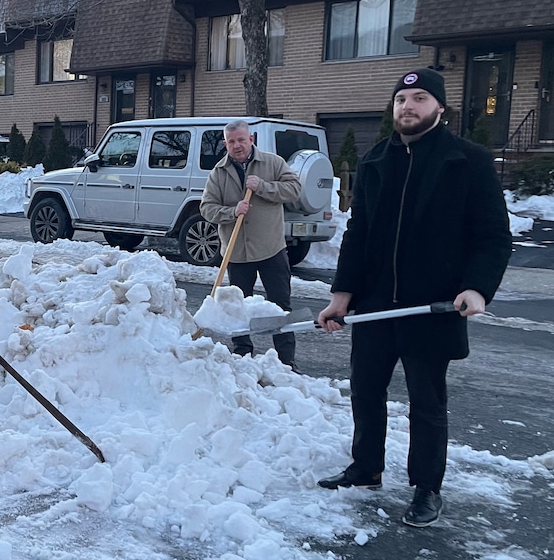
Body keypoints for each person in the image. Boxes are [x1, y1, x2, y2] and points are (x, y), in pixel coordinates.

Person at [316, 68, 511, 527]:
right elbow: (358, 233)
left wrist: (477, 288)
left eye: (420, 98)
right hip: (377, 303)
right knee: (366, 391)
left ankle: (427, 487)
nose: (408, 106)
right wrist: (342, 294)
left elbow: (493, 238)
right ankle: (366, 468)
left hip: (433, 306)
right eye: (402, 99)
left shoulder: (468, 161)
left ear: (439, 107)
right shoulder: (376, 160)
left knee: (426, 401)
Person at [200, 119, 304, 369]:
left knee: (280, 304)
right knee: (238, 305)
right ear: (225, 143)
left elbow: (294, 190)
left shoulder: (273, 162)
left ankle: (286, 360)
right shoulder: (219, 172)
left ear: (251, 140)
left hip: (271, 248)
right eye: (231, 141)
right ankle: (242, 354)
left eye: (241, 140)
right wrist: (231, 212)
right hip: (236, 252)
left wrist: (263, 187)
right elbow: (206, 208)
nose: (237, 146)